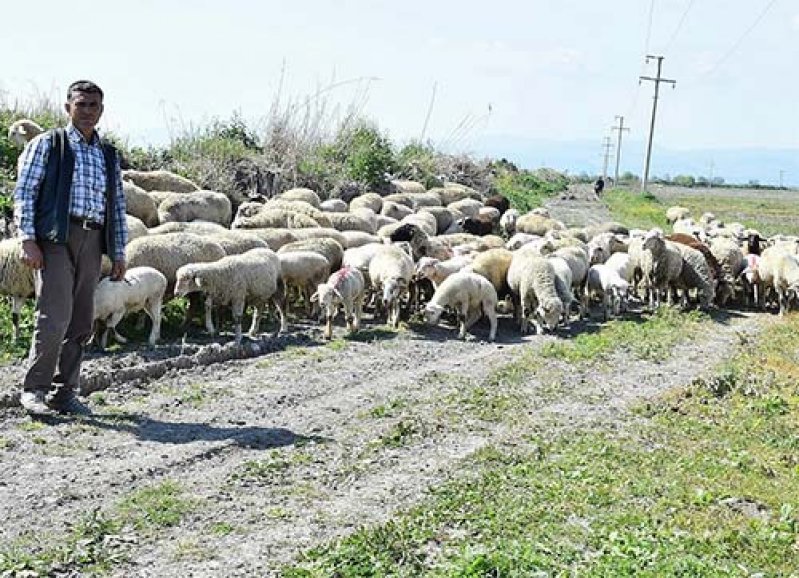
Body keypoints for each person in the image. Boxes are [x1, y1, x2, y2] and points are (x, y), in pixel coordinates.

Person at [14, 80, 128, 416]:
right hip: (56, 238)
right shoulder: (50, 144)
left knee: (81, 320)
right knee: (54, 316)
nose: (88, 111)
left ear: (102, 110)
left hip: (93, 240)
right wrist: (27, 239)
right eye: (81, 105)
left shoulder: (107, 155)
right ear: (68, 107)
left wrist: (118, 250)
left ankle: (65, 393)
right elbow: (25, 192)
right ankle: (34, 390)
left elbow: (117, 205)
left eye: (94, 106)